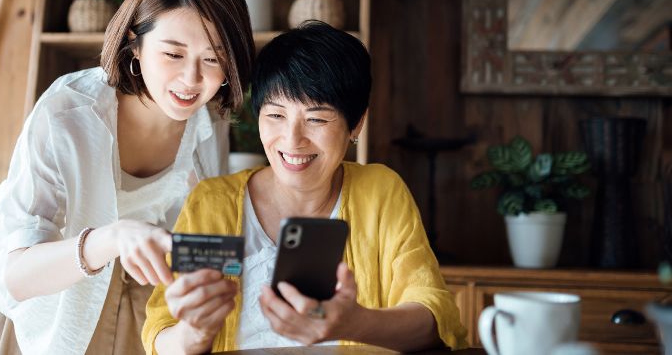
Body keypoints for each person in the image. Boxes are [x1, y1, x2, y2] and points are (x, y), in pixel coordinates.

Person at [0, 0, 254, 355]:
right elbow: (16, 275)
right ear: (135, 42)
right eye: (173, 53)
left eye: (214, 58)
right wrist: (113, 237)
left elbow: (204, 225)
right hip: (30, 314)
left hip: (129, 302)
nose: (192, 79)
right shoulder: (67, 112)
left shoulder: (209, 120)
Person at [142, 21, 467, 354]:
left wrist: (353, 322)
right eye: (276, 116)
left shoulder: (380, 192)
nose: (292, 140)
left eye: (316, 119)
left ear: (356, 123)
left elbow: (434, 316)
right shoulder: (212, 202)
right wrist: (193, 334)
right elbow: (160, 332)